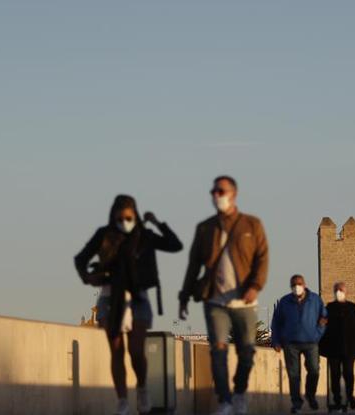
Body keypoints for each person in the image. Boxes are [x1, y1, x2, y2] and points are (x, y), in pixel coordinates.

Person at [74, 195, 183, 415]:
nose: (124, 221)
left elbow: (175, 245)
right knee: (116, 351)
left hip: (138, 299)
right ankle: (122, 400)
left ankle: (142, 387)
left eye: (129, 217)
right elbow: (80, 259)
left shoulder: (144, 235)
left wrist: (157, 222)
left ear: (135, 215)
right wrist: (88, 277)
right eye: (120, 217)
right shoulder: (104, 234)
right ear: (113, 216)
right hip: (109, 298)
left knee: (136, 350)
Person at [178, 176, 269, 415]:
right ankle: (225, 400)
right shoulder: (205, 228)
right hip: (214, 300)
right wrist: (184, 296)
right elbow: (193, 265)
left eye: (221, 191)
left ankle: (239, 393)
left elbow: (262, 259)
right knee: (218, 350)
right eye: (214, 191)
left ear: (234, 194)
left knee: (246, 352)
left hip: (245, 300)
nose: (216, 195)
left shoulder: (252, 225)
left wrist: (255, 286)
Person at [271, 274, 328, 413]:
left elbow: (324, 318)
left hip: (311, 341)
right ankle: (296, 402)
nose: (297, 287)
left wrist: (317, 334)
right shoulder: (285, 301)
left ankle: (310, 395)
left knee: (314, 370)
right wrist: (276, 341)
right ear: (291, 286)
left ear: (304, 285)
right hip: (290, 343)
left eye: (299, 284)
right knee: (293, 374)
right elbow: (276, 323)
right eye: (294, 284)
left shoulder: (315, 299)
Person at [319, 282, 355, 412]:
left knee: (348, 373)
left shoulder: (352, 308)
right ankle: (337, 399)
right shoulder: (329, 308)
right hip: (333, 348)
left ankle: (349, 395)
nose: (338, 292)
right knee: (334, 375)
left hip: (349, 348)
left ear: (346, 292)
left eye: (341, 289)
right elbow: (322, 326)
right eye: (336, 289)